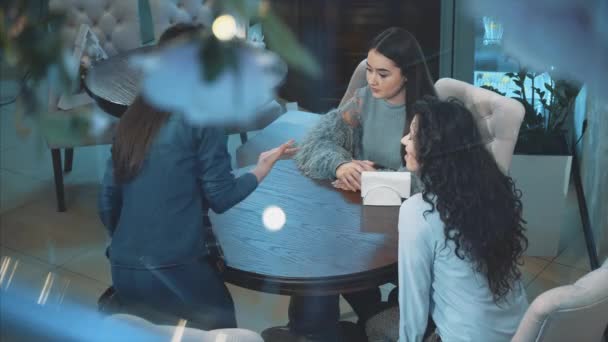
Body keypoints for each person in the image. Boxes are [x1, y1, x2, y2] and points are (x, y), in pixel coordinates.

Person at [98, 23, 296, 331]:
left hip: (123, 268)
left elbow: (107, 202)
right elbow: (221, 196)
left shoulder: (133, 118)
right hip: (175, 268)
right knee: (224, 330)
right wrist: (259, 170)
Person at [282, 27, 436, 339]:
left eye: (383, 73)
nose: (372, 81)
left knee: (327, 258)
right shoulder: (363, 101)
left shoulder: (430, 116)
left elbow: (432, 185)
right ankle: (320, 330)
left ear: (407, 75)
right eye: (369, 70)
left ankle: (320, 329)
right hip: (366, 216)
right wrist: (340, 164)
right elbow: (317, 142)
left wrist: (373, 177)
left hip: (409, 225)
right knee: (319, 250)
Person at [365, 97, 529, 342]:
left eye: (411, 136)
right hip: (521, 330)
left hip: (466, 337)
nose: (404, 141)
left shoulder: (418, 212)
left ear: (434, 148)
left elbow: (413, 299)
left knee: (374, 325)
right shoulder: (493, 189)